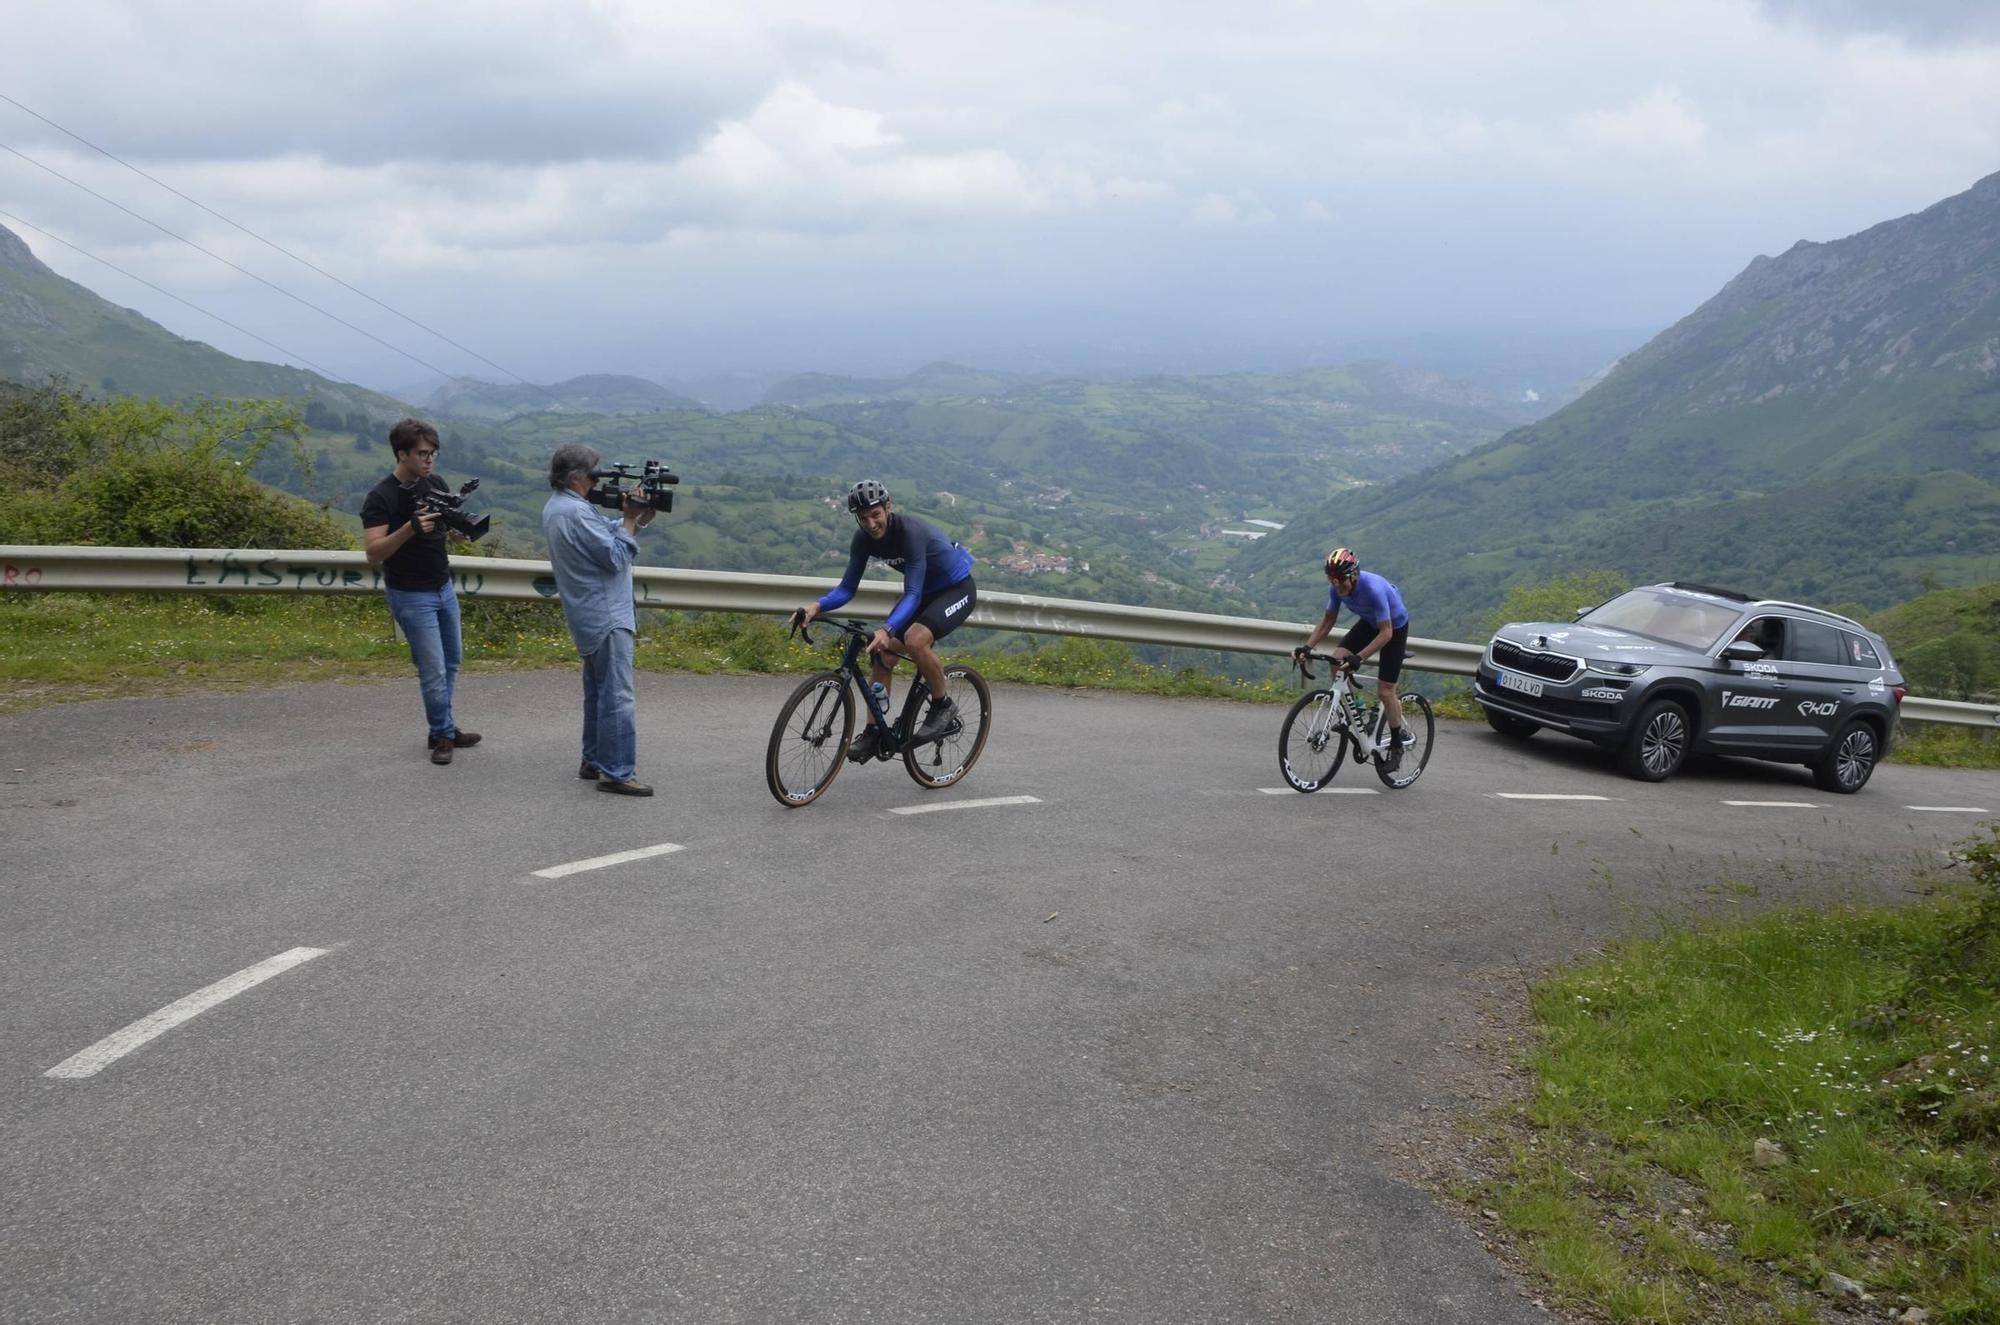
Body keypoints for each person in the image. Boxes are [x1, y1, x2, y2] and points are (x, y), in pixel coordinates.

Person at [794, 480, 976, 762]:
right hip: (924, 594)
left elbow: (912, 593)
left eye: (875, 514)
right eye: (863, 517)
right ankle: (874, 730)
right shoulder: (863, 539)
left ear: (888, 507)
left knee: (915, 640)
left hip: (956, 589)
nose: (870, 523)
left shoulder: (910, 533)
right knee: (882, 651)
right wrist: (816, 607)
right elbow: (846, 589)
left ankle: (943, 705)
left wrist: (888, 628)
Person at [360, 418, 479, 765]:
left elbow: (444, 529)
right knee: (433, 669)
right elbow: (373, 553)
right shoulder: (381, 497)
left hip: (443, 586)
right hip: (410, 594)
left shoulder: (435, 483)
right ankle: (442, 735)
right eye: (422, 454)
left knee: (452, 662)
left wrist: (459, 531)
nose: (429, 460)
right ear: (402, 454)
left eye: (433, 454)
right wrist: (409, 529)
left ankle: (443, 726)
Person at [541, 443, 658, 796]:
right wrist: (627, 519)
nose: (597, 479)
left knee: (597, 693)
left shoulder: (560, 508)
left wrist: (635, 519)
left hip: (587, 613)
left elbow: (599, 536)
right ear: (577, 477)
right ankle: (618, 772)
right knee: (618, 696)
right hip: (606, 614)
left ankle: (593, 760)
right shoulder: (575, 513)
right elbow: (614, 558)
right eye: (593, 473)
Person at [1293, 547, 1414, 750]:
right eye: (1332, 580)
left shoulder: (1373, 588)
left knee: (1385, 691)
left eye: (1341, 580)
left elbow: (1386, 633)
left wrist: (1360, 657)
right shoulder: (1336, 586)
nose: (1337, 586)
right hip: (1369, 622)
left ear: (1354, 574)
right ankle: (1358, 713)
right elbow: (1328, 620)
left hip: (1394, 627)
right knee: (1337, 661)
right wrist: (1307, 647)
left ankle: (1396, 741)